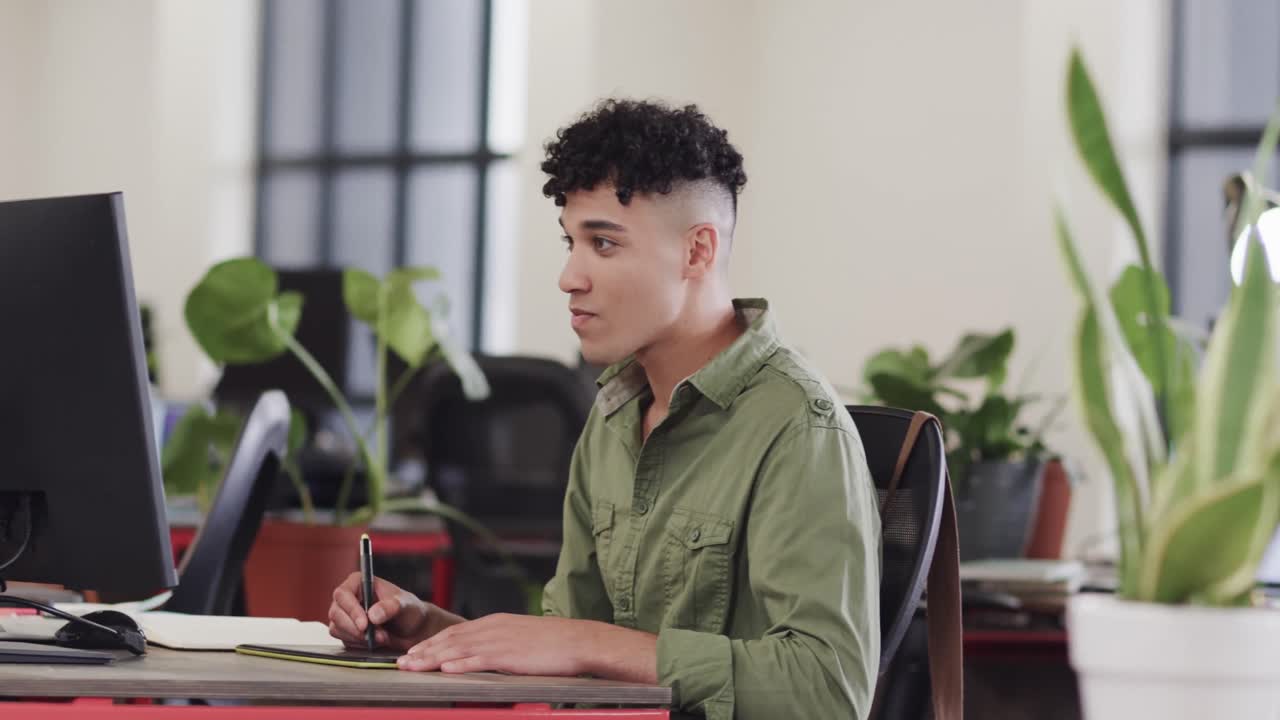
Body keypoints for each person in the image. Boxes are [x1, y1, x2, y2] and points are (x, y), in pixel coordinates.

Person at [328, 99, 881, 719]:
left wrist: (586, 643)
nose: (569, 276)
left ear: (697, 252)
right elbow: (573, 650)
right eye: (572, 242)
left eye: (604, 244)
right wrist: (433, 630)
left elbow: (828, 689)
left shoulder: (797, 426)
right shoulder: (617, 413)